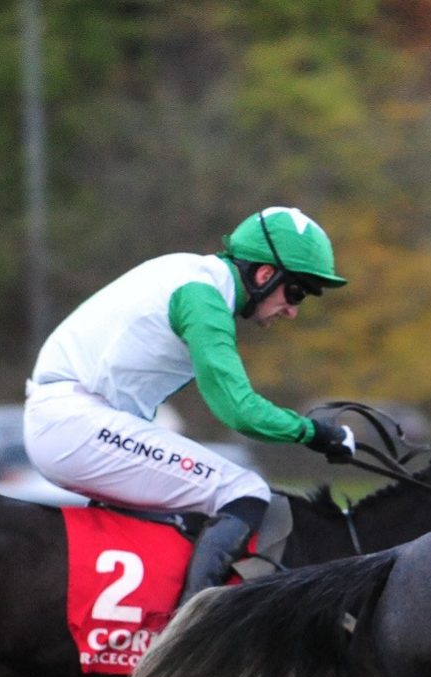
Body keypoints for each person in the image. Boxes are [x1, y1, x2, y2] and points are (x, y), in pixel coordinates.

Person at [24, 206, 357, 605]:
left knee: (195, 499)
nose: (293, 310)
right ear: (265, 275)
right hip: (74, 424)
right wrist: (317, 434)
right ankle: (192, 634)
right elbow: (241, 411)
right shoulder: (203, 298)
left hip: (73, 419)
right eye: (296, 292)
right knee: (244, 489)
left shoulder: (190, 272)